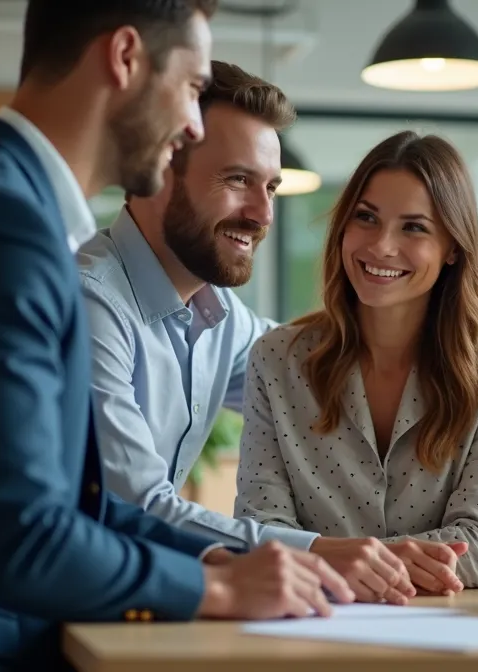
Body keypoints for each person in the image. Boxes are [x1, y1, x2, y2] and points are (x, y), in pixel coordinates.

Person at [0, 2, 352, 670]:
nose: (192, 123)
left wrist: (226, 559)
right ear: (125, 57)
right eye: (192, 89)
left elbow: (75, 504)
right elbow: (18, 537)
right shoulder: (0, 225)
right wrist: (215, 585)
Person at [79, 60, 428, 605]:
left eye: (271, 187)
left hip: (137, 605)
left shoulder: (223, 318)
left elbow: (334, 370)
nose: (263, 214)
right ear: (157, 170)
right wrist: (315, 549)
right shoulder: (89, 302)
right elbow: (134, 505)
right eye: (238, 180)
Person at [234, 131, 478, 595]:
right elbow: (262, 539)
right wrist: (380, 562)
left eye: (414, 227)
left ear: (452, 246)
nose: (381, 246)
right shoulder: (277, 359)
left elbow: (476, 550)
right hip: (315, 635)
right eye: (366, 218)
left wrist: (326, 558)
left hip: (457, 642)